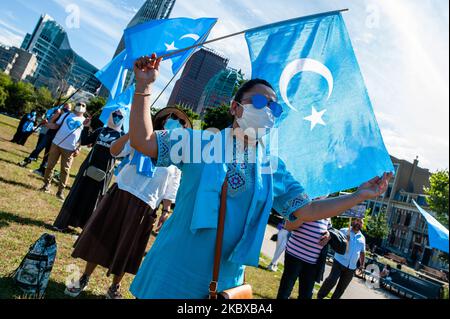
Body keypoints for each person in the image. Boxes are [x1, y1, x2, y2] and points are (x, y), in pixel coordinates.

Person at [126, 54, 392, 299]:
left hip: (225, 284)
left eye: (274, 108)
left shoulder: (271, 166)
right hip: (173, 270)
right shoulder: (200, 143)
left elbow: (308, 210)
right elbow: (143, 140)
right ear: (235, 107)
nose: (267, 111)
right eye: (260, 102)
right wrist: (144, 87)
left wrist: (358, 195)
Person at [64, 108, 185, 299]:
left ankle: (114, 287)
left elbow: (173, 185)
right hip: (121, 193)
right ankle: (85, 276)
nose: (176, 122)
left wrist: (166, 210)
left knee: (126, 246)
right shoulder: (143, 138)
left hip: (146, 204)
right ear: (162, 121)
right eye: (173, 118)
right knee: (101, 235)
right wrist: (134, 133)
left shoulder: (177, 156)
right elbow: (114, 150)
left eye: (181, 122)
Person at [52, 109, 126, 232]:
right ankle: (64, 223)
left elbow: (123, 154)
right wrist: (86, 127)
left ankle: (86, 229)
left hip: (104, 172)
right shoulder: (100, 130)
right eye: (114, 115)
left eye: (120, 116)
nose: (116, 118)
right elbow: (85, 141)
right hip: (87, 169)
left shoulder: (122, 137)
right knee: (78, 193)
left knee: (94, 199)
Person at [276, 216, 332, 299]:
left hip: (313, 261)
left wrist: (328, 235)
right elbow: (288, 225)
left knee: (306, 295)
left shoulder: (327, 212)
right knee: (285, 289)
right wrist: (307, 214)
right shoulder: (305, 205)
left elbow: (329, 229)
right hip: (294, 255)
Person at [40, 102, 86, 200]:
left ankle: (60, 192)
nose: (80, 106)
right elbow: (56, 126)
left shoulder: (85, 121)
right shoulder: (66, 115)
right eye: (79, 104)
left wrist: (78, 148)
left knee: (65, 170)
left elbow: (83, 137)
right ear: (75, 105)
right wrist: (47, 124)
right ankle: (46, 185)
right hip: (56, 143)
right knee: (49, 165)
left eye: (83, 105)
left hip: (70, 149)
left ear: (85, 109)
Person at [317, 218, 366, 299]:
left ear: (362, 225)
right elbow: (334, 241)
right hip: (339, 261)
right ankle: (320, 296)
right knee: (331, 281)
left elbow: (362, 252)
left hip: (351, 267)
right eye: (357, 221)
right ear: (353, 221)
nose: (358, 223)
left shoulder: (362, 238)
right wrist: (344, 240)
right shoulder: (344, 230)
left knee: (341, 288)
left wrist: (362, 265)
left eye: (361, 222)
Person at [18, 103, 72, 176]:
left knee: (48, 153)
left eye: (68, 109)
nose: (66, 110)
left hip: (56, 138)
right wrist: (55, 115)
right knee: (38, 148)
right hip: (49, 134)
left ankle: (42, 170)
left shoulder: (68, 118)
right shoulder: (58, 114)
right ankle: (27, 161)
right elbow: (50, 123)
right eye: (65, 108)